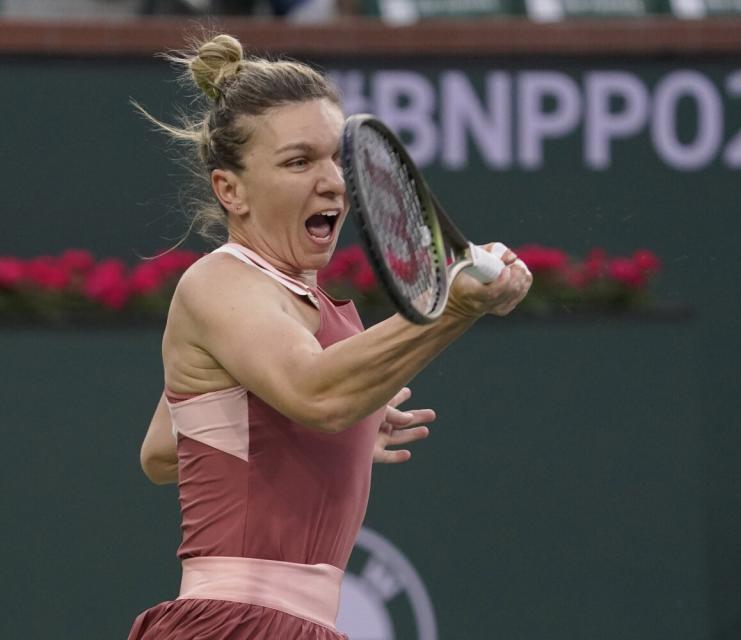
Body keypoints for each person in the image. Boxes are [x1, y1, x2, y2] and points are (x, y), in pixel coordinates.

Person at [129, 33, 531, 639]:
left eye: (337, 158)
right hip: (232, 626)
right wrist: (454, 307)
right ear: (229, 190)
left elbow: (165, 451)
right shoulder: (220, 282)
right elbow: (319, 396)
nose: (334, 181)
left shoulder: (313, 307)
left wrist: (326, 433)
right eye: (298, 162)